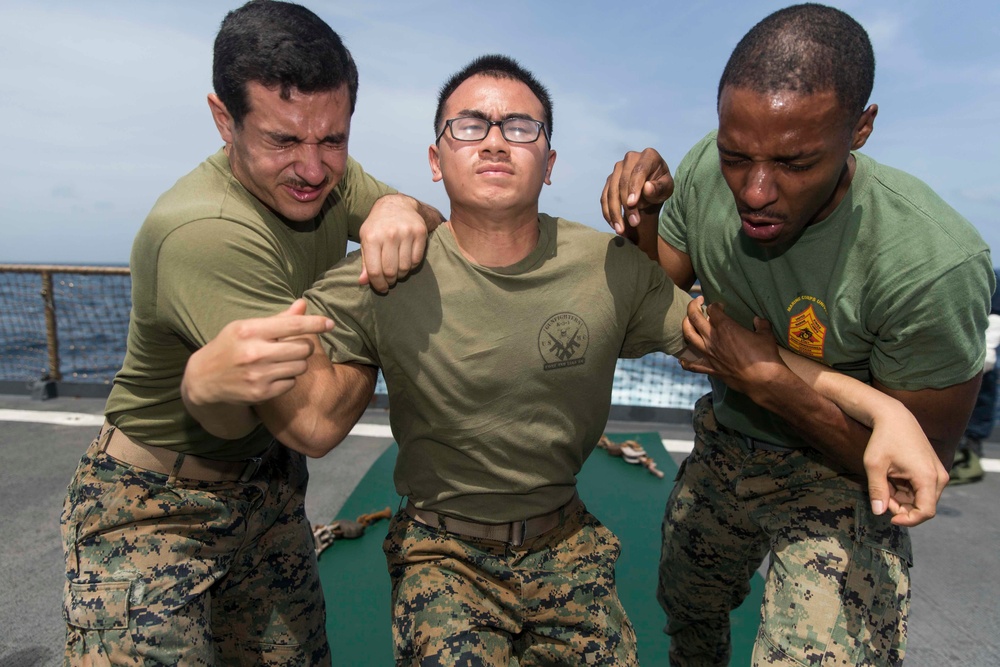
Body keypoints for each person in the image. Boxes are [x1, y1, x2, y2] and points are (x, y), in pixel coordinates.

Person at [184, 54, 946, 666]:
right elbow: (312, 421)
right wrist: (210, 382)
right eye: (467, 124)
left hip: (566, 542)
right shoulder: (382, 273)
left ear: (550, 163)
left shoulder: (608, 266)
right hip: (440, 553)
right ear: (433, 159)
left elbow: (742, 353)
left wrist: (884, 409)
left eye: (520, 125)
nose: (492, 138)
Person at [602, 4, 993, 666]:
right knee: (686, 604)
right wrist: (646, 216)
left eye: (795, 162)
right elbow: (650, 301)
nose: (755, 190)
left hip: (842, 477)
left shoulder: (932, 262)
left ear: (861, 128)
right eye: (736, 156)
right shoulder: (704, 169)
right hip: (728, 443)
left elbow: (910, 473)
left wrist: (776, 387)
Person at [59, 1, 442, 664]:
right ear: (223, 120)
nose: (315, 168)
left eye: (334, 138)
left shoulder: (324, 176)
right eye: (283, 140)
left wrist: (400, 206)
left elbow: (436, 227)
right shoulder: (205, 230)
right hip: (154, 512)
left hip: (266, 489)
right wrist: (383, 290)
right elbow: (316, 421)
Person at [951, 267, 1000, 484]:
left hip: (985, 340)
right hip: (981, 336)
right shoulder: (994, 275)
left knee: (984, 391)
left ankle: (971, 441)